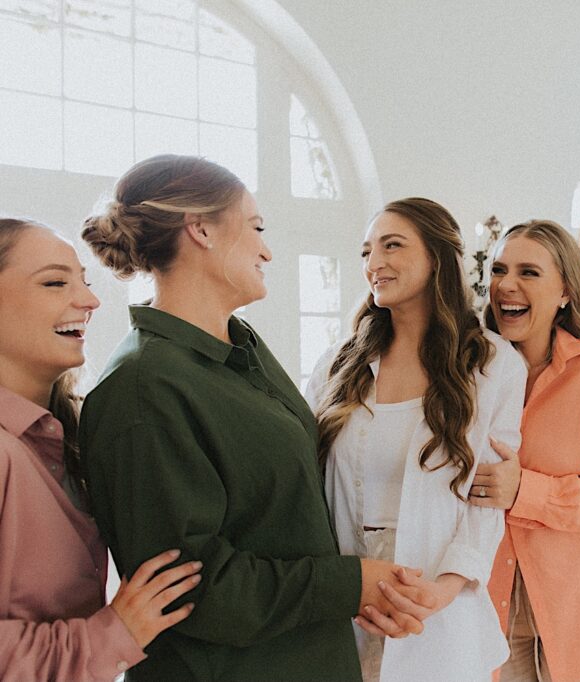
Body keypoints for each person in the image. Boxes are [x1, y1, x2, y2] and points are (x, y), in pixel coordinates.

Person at [78, 155, 423, 681]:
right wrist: (349, 584)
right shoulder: (142, 388)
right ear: (201, 230)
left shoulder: (245, 348)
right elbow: (195, 590)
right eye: (256, 227)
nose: (266, 249)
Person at [306, 197, 526, 681]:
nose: (374, 263)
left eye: (392, 246)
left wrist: (441, 590)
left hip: (436, 596)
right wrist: (346, 587)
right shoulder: (337, 365)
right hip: (346, 595)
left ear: (437, 257)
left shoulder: (493, 365)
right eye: (366, 252)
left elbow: (485, 500)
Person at [0, 218, 201, 681]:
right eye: (54, 282)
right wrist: (112, 633)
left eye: (85, 283)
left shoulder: (65, 436)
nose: (89, 301)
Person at [469, 219, 580, 682]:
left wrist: (524, 490)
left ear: (565, 291)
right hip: (486, 607)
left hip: (579, 606)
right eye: (501, 270)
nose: (507, 285)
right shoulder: (463, 373)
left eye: (529, 272)